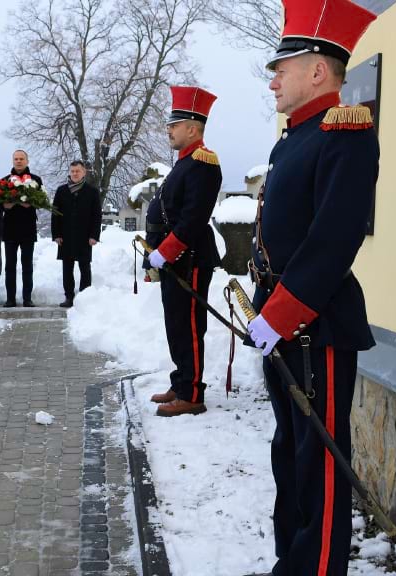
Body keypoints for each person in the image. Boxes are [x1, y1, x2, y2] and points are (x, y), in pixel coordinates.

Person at [245, 1, 379, 574]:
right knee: (288, 451)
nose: (273, 79)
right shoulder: (292, 138)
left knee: (319, 460)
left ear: (318, 70)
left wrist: (279, 314)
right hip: (283, 317)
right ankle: (292, 560)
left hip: (313, 324)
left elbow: (333, 240)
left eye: (284, 67)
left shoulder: (343, 133)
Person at [145, 86, 222, 417]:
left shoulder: (203, 163)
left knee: (189, 324)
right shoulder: (185, 163)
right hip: (174, 259)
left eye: (175, 124)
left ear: (193, 127)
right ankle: (181, 382)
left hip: (187, 257)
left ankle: (192, 393)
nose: (169, 129)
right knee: (175, 322)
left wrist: (167, 251)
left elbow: (192, 219)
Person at [51, 160, 102, 308]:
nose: (74, 174)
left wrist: (94, 235)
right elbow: (55, 214)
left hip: (84, 237)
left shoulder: (92, 191)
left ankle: (85, 298)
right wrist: (57, 234)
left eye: (77, 171)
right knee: (67, 268)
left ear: (83, 172)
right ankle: (69, 297)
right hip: (65, 236)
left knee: (84, 267)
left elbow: (96, 215)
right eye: (72, 171)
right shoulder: (61, 191)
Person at [2, 149, 41, 307]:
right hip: (10, 228)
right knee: (10, 266)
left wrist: (30, 203)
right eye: (16, 159)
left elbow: (41, 201)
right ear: (12, 161)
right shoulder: (4, 181)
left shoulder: (35, 180)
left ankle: (27, 298)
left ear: (27, 161)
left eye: (21, 159)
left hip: (27, 228)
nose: (18, 161)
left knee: (27, 266)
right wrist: (6, 205)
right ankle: (10, 298)